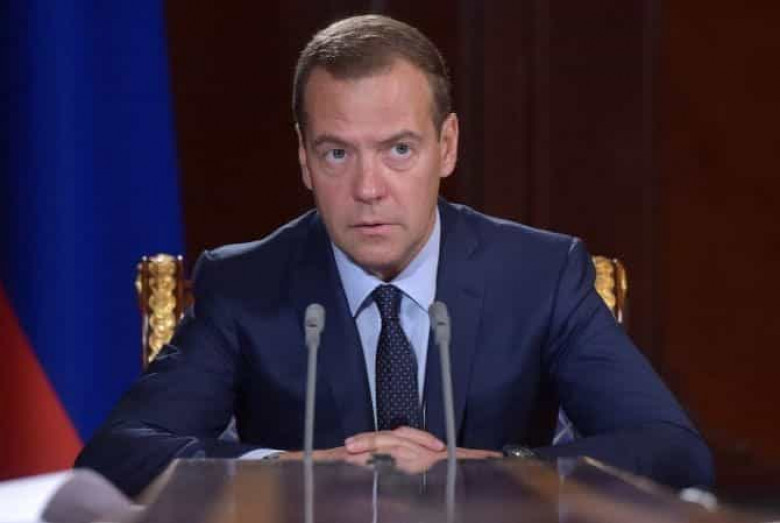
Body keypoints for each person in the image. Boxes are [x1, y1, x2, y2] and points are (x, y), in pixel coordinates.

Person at [75, 14, 713, 496]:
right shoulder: (246, 283)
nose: (368, 188)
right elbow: (116, 457)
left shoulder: (537, 275)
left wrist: (487, 468)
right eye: (337, 153)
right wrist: (294, 467)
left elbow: (673, 453)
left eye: (398, 150)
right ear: (304, 158)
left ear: (447, 146)